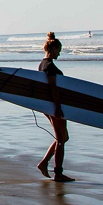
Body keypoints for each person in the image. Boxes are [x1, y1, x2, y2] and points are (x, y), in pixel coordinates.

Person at [36, 32, 72, 181]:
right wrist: (57, 107)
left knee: (63, 137)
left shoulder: (42, 64)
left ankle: (44, 163)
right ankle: (58, 173)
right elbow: (53, 88)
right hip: (54, 105)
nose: (60, 53)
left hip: (49, 106)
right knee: (61, 139)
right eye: (59, 50)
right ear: (53, 49)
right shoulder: (49, 66)